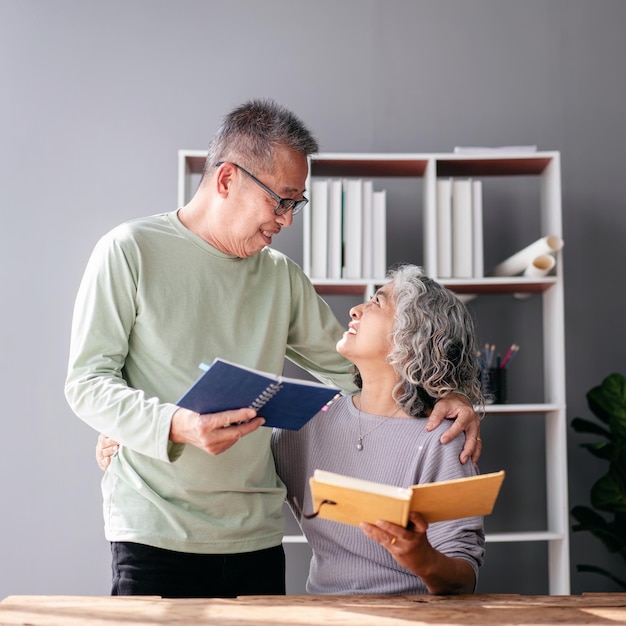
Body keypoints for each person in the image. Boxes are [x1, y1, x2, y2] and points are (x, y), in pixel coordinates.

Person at [69, 98, 481, 599]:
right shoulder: (128, 250)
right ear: (226, 180)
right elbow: (87, 383)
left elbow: (362, 370)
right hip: (154, 529)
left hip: (255, 540)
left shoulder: (281, 276)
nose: (287, 221)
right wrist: (170, 425)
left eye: (295, 204)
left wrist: (451, 392)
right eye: (280, 200)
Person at [271, 265, 485, 595]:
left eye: (376, 303)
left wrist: (423, 559)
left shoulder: (441, 441)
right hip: (322, 616)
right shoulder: (308, 423)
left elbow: (463, 578)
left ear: (412, 341)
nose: (355, 311)